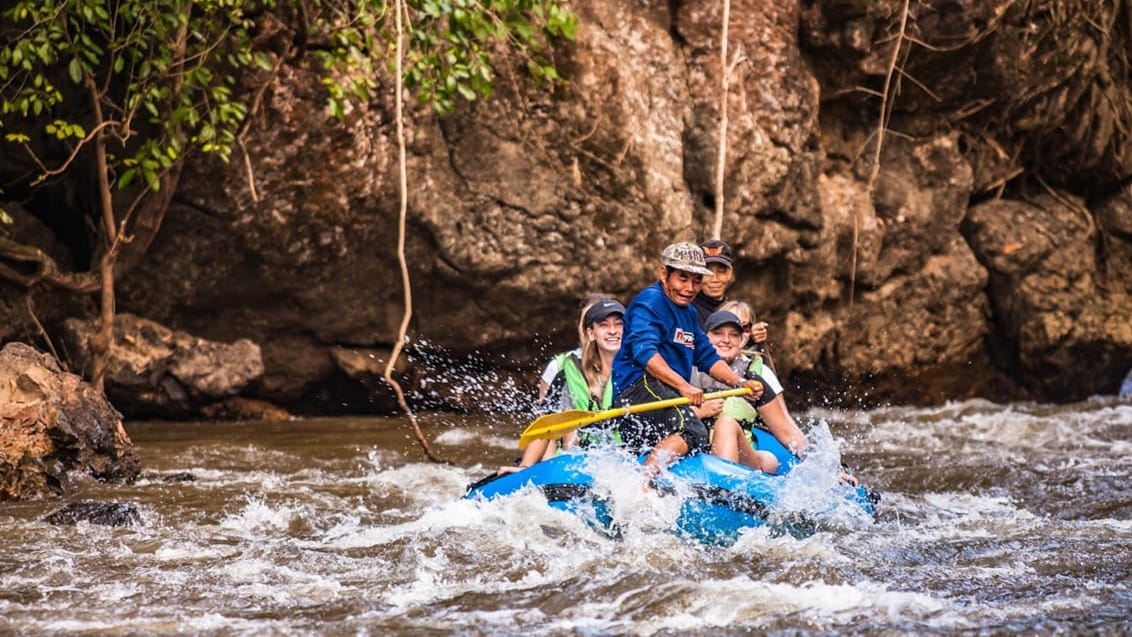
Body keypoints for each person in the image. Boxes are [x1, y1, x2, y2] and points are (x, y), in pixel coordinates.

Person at [611, 242, 765, 475]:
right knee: (693, 430)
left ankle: (648, 484)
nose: (690, 288)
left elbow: (707, 357)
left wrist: (739, 383)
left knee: (688, 442)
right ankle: (640, 485)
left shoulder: (690, 313)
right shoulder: (650, 302)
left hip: (665, 395)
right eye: (683, 279)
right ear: (664, 274)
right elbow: (646, 354)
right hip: (639, 388)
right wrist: (684, 386)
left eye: (696, 281)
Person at [500, 299, 625, 474]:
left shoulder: (641, 372)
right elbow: (547, 427)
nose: (613, 331)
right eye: (604, 325)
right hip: (581, 462)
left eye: (619, 325)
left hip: (624, 461)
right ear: (591, 333)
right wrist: (525, 467)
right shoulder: (568, 372)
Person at [691, 310, 806, 470]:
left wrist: (832, 469)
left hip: (738, 459)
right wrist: (697, 412)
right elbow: (663, 418)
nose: (726, 340)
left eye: (733, 335)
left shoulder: (752, 381)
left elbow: (786, 431)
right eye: (718, 333)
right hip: (693, 455)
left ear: (741, 340)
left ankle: (724, 487)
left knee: (728, 426)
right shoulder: (685, 371)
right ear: (705, 337)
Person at [692, 239, 770, 349]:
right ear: (697, 274)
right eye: (707, 272)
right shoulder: (687, 311)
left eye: (721, 271)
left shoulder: (734, 310)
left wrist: (751, 337)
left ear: (730, 273)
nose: (715, 279)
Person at [537, 292, 611, 402]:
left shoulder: (630, 364)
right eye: (587, 323)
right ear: (579, 327)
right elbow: (543, 414)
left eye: (600, 324)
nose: (591, 330)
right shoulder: (558, 366)